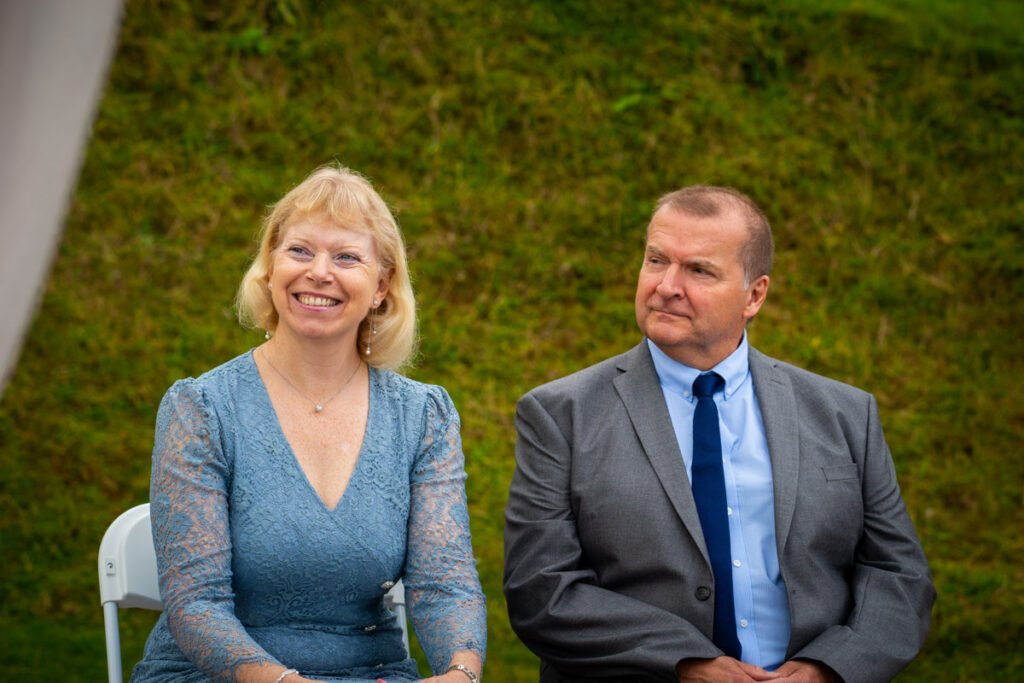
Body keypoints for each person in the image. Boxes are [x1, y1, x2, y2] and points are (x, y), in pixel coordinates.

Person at [503, 185, 935, 683]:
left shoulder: (845, 412)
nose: (667, 285)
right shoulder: (561, 414)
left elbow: (899, 575)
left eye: (699, 270)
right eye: (656, 260)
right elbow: (540, 589)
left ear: (754, 295)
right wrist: (686, 663)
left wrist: (829, 668)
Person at [132, 165, 486, 683]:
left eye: (346, 257)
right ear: (270, 268)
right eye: (300, 251)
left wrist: (461, 673)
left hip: (370, 673)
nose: (319, 272)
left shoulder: (423, 417)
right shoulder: (201, 408)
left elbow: (444, 585)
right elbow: (195, 602)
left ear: (382, 285)